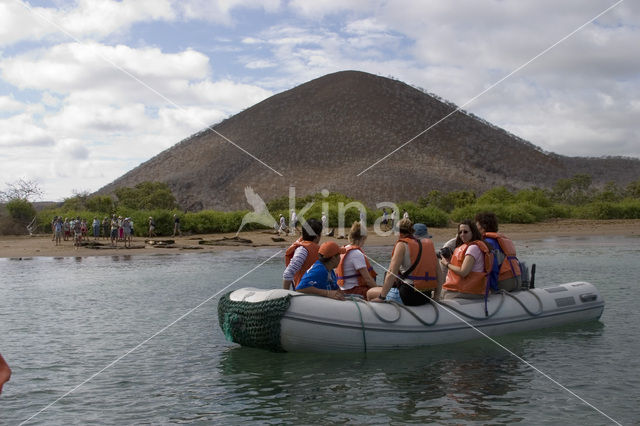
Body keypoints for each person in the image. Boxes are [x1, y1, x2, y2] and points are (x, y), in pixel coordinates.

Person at [368, 218, 443, 305]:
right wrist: (436, 297)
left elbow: (391, 273)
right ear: (412, 230)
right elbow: (439, 274)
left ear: (398, 232)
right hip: (426, 296)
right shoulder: (428, 246)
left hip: (408, 295)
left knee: (370, 293)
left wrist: (381, 297)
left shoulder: (402, 245)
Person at [440, 220, 493, 299]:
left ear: (473, 232)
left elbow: (463, 272)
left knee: (440, 293)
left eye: (465, 232)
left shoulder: (473, 248)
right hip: (470, 288)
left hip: (470, 289)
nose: (462, 235)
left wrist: (447, 264)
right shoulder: (472, 246)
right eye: (460, 232)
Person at [475, 212, 522, 292]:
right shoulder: (500, 240)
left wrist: (493, 289)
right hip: (517, 279)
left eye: (477, 226)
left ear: (483, 227)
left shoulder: (487, 243)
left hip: (504, 282)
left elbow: (493, 267)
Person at [336, 221, 377, 297]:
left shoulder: (344, 249)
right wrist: (378, 289)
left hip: (342, 289)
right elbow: (368, 279)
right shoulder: (356, 253)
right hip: (353, 290)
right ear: (363, 238)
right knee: (382, 292)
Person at [283, 218, 323, 290]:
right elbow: (288, 274)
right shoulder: (302, 251)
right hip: (303, 292)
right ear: (317, 236)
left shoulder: (306, 248)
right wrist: (285, 295)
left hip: (315, 290)